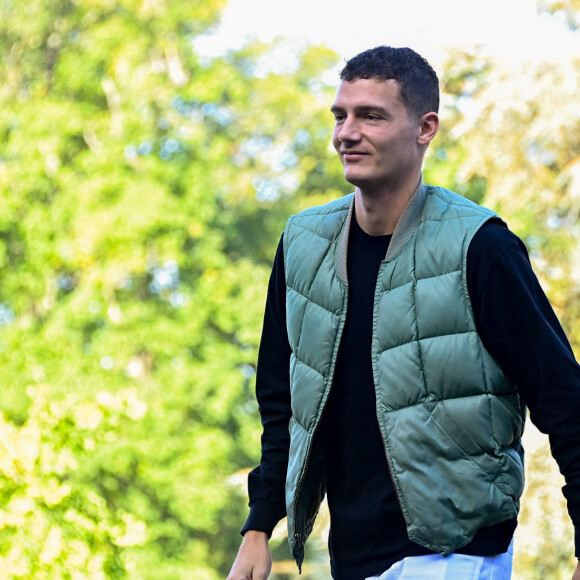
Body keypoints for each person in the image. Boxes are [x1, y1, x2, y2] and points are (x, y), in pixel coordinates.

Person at [227, 46, 580, 580]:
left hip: (456, 554)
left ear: (425, 128)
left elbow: (565, 402)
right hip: (351, 557)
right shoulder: (302, 244)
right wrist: (259, 527)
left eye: (371, 115)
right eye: (340, 115)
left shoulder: (481, 246)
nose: (347, 133)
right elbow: (281, 404)